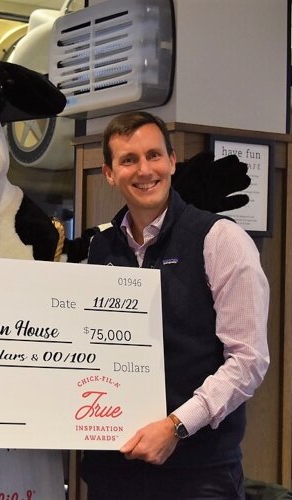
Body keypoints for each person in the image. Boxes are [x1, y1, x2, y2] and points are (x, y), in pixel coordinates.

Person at [81, 111, 270, 499]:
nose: (144, 169)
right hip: (113, 470)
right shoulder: (99, 250)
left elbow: (248, 361)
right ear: (110, 173)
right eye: (128, 160)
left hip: (199, 473)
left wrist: (176, 426)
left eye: (153, 155)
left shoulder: (220, 240)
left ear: (171, 161)